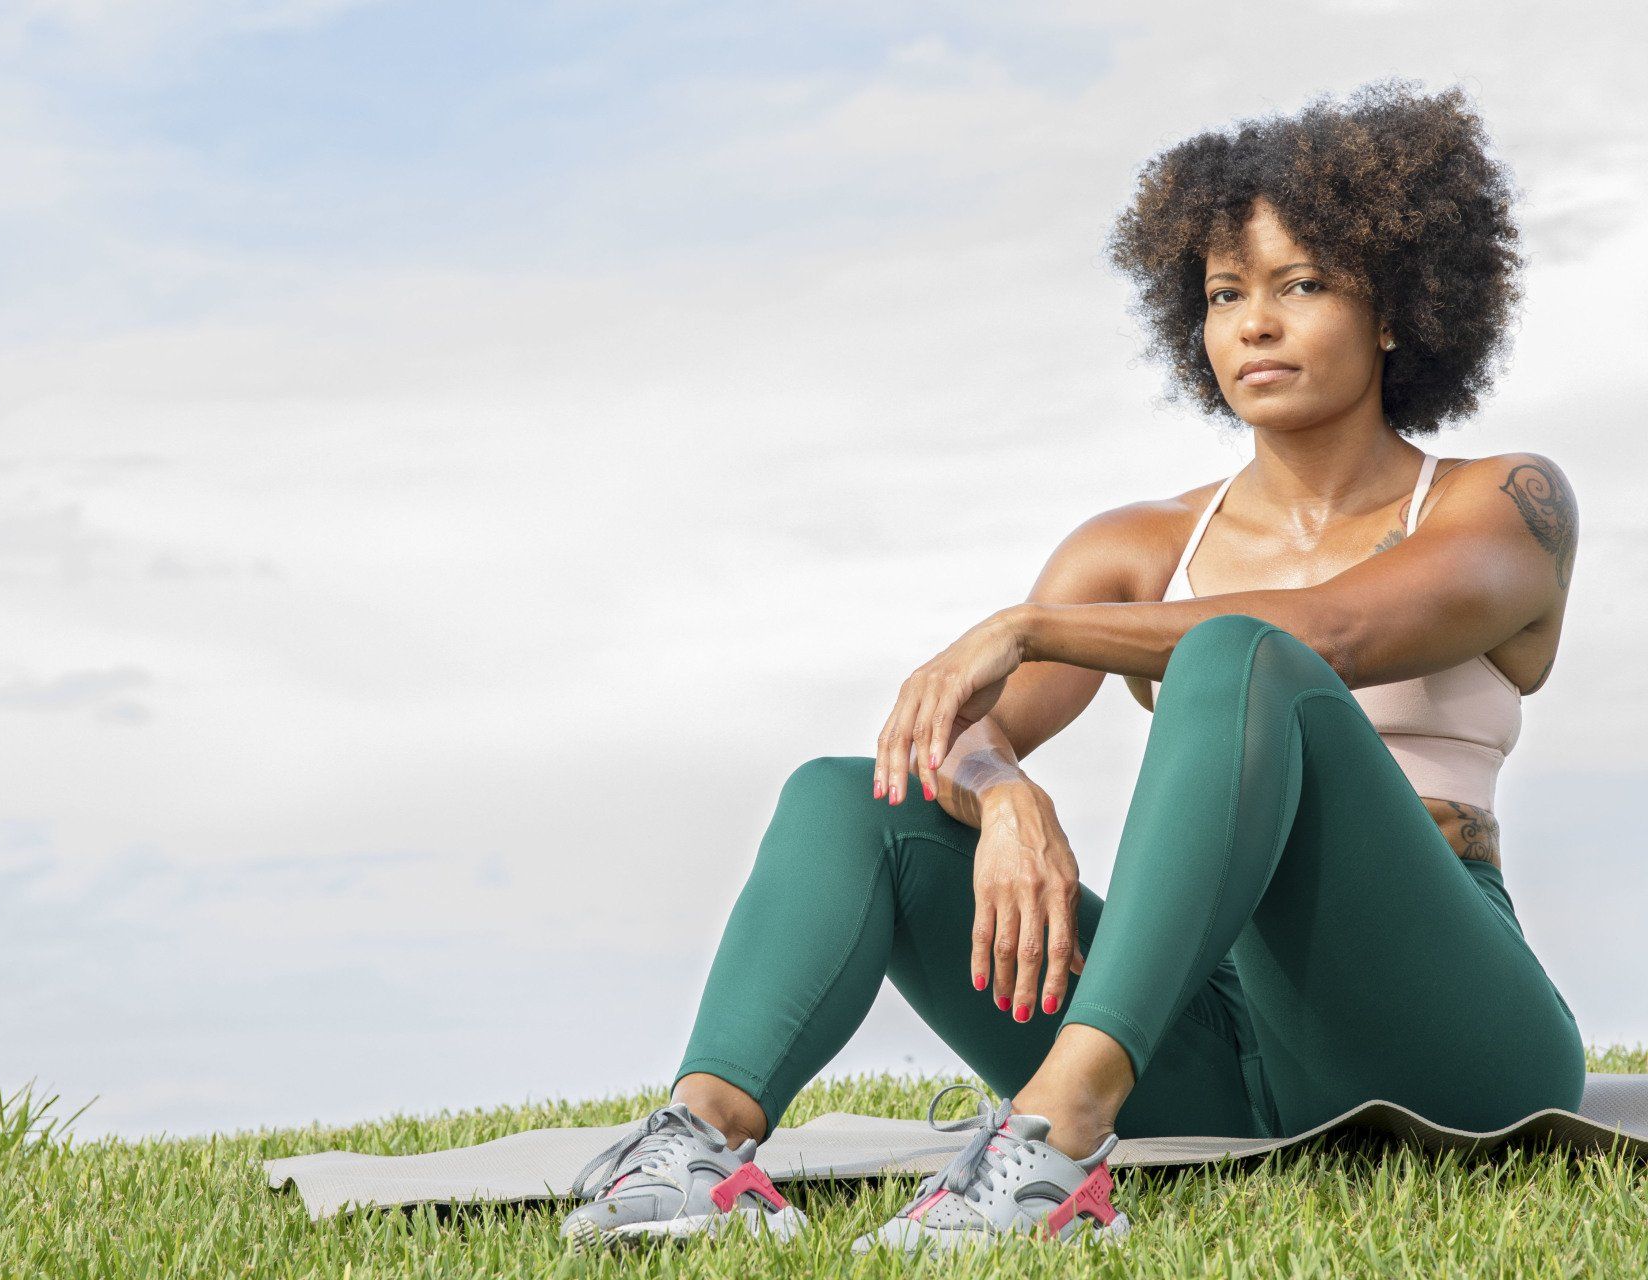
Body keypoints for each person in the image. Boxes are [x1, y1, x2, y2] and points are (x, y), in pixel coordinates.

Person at [560, 77, 1586, 1255]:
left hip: (1449, 1034)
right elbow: (948, 732)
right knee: (852, 797)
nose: (1254, 323)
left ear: (1398, 307)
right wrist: (1002, 790)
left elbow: (1332, 631)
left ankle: (1052, 1142)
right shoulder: (1140, 545)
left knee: (1240, 655)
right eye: (1224, 294)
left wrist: (1028, 626)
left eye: (1301, 284)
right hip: (1214, 1047)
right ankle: (696, 1148)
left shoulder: (1503, 502)